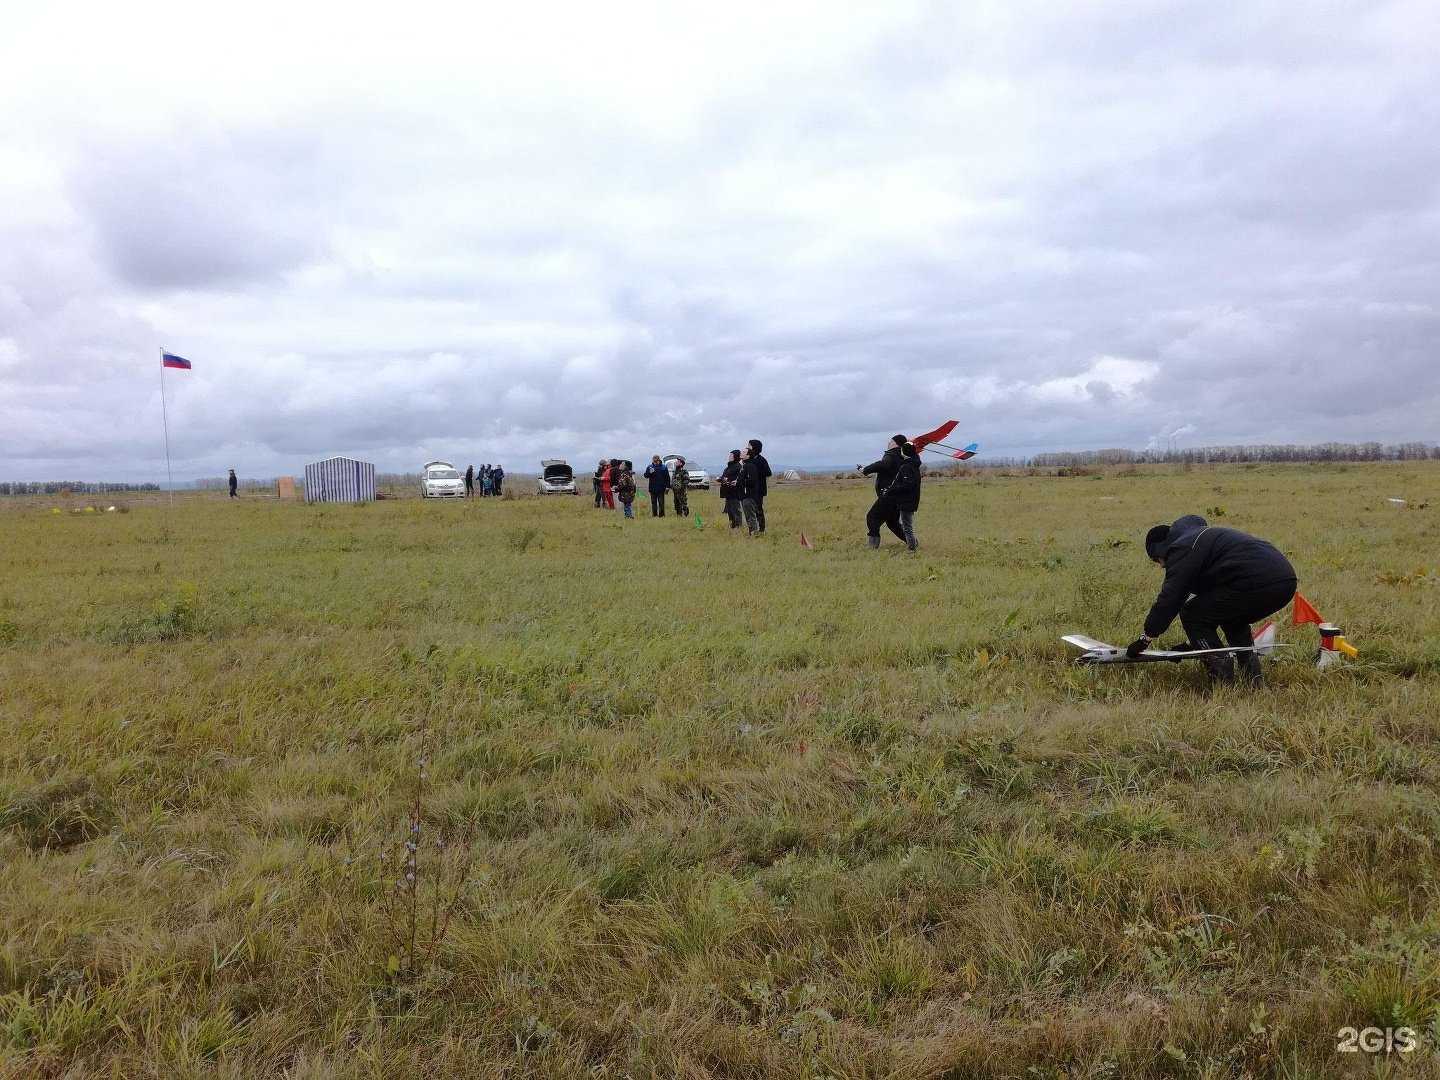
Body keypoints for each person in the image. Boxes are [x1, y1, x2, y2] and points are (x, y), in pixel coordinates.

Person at [1125, 514, 1298, 686]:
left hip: (1259, 580)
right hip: (1284, 579)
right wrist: (1193, 643)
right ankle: (1252, 679)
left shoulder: (1183, 548)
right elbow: (1216, 604)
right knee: (1232, 617)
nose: (1161, 565)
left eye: (1157, 560)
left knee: (1192, 613)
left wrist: (1145, 639)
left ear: (1161, 549)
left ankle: (1222, 680)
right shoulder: (1199, 539)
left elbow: (1170, 599)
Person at [859, 435, 908, 548]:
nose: (888, 443)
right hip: (897, 496)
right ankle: (912, 542)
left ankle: (872, 546)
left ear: (895, 443)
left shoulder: (891, 454)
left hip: (888, 495)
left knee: (872, 517)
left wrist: (865, 470)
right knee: (893, 523)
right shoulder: (902, 456)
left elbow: (883, 464)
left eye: (890, 441)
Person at [886, 441, 923, 551]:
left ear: (904, 452)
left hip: (906, 501)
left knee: (907, 527)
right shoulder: (914, 463)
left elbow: (907, 485)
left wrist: (892, 490)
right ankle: (913, 545)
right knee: (907, 524)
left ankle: (912, 548)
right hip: (912, 499)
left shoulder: (907, 467)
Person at [745, 438, 771, 533]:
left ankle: (761, 529)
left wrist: (755, 472)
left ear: (754, 448)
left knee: (758, 509)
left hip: (759, 490)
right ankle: (752, 529)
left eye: (749, 446)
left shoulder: (761, 460)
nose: (747, 447)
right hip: (749, 490)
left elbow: (768, 473)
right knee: (749, 510)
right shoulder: (748, 460)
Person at [719, 449, 743, 528]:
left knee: (736, 510)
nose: (729, 457)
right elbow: (723, 476)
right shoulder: (728, 467)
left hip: (735, 493)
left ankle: (738, 527)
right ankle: (732, 526)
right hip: (728, 493)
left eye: (731, 455)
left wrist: (727, 480)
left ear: (735, 457)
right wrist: (722, 479)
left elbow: (738, 478)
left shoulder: (738, 467)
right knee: (729, 511)